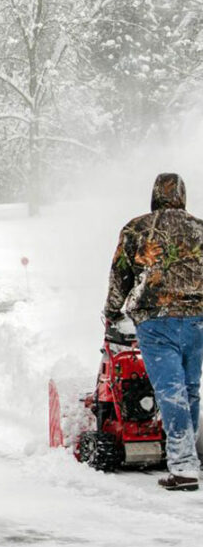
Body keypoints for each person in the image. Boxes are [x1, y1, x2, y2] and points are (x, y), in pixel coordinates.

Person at [104, 173, 203, 491]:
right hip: (198, 318)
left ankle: (185, 466)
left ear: (155, 195)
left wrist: (112, 311)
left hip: (155, 320)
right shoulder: (200, 229)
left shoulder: (136, 228)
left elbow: (121, 274)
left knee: (170, 391)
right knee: (189, 389)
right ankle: (188, 457)